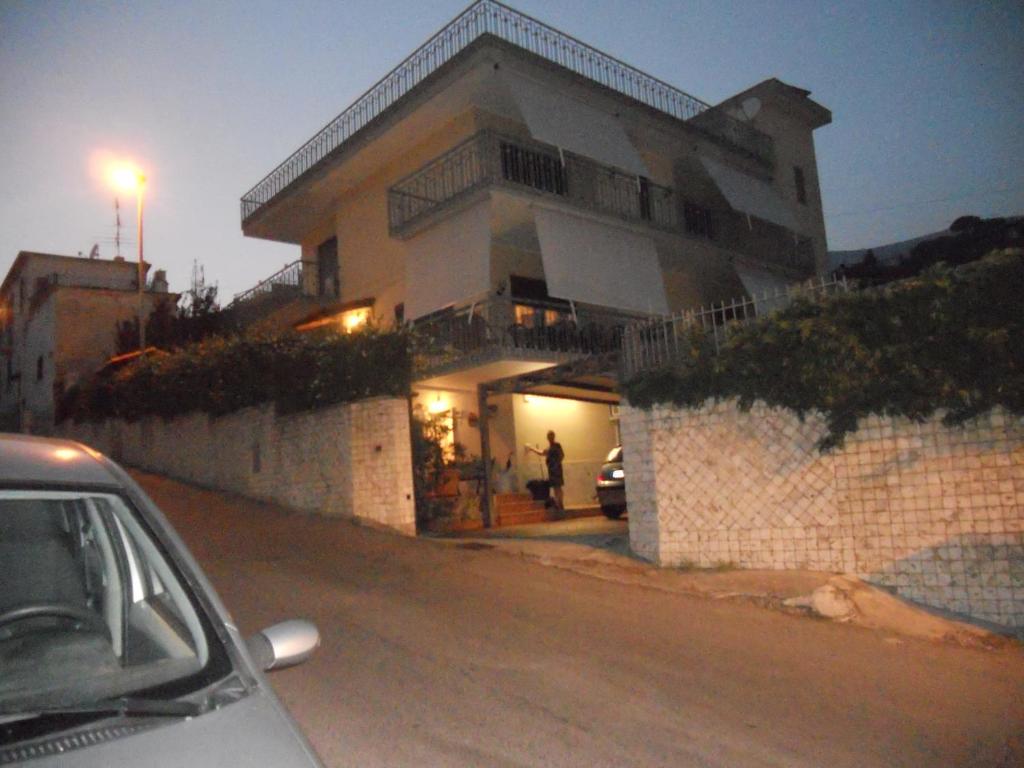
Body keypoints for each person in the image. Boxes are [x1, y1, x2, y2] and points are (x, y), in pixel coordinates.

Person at [526, 431, 565, 511]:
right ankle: (559, 503)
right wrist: (532, 449)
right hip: (552, 470)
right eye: (549, 436)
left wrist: (556, 464)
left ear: (553, 437)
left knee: (558, 487)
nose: (550, 438)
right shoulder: (549, 448)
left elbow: (561, 455)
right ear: (548, 438)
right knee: (555, 487)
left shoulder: (557, 446)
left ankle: (560, 503)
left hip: (556, 470)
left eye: (551, 436)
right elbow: (542, 453)